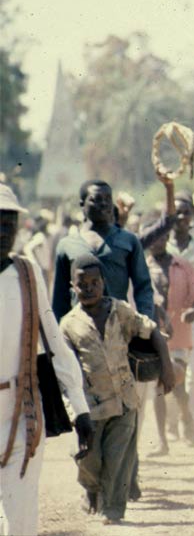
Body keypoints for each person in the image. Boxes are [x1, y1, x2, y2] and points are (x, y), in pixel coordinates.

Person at [0, 184, 93, 536]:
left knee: (20, 520)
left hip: (21, 413)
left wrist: (80, 409)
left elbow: (55, 343)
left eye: (8, 224)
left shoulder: (26, 273)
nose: (3, 232)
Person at [60, 254, 174, 524]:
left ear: (103, 283)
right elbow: (67, 372)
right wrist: (74, 412)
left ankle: (113, 509)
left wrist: (167, 368)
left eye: (94, 282)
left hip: (124, 401)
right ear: (72, 287)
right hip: (90, 406)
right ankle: (91, 488)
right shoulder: (68, 325)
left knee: (118, 459)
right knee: (90, 460)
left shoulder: (120, 311)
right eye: (82, 284)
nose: (89, 288)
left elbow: (152, 330)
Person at [52, 180, 155, 323]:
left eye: (108, 199)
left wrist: (146, 322)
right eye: (96, 199)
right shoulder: (67, 245)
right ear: (82, 204)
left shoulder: (128, 240)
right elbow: (60, 297)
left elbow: (143, 287)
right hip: (81, 328)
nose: (104, 204)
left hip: (119, 325)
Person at [145, 229, 194, 455]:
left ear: (166, 238)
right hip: (154, 334)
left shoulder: (183, 265)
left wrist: (193, 311)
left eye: (160, 237)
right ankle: (162, 440)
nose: (156, 242)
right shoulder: (142, 267)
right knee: (159, 384)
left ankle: (187, 419)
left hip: (179, 333)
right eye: (152, 238)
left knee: (176, 381)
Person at [168, 193, 194, 442]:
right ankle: (174, 425)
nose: (181, 217)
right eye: (177, 212)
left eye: (185, 212)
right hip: (167, 322)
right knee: (171, 374)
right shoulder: (160, 246)